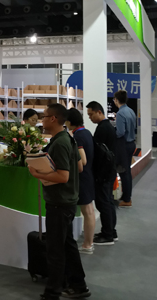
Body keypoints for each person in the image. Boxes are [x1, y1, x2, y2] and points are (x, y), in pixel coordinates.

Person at [28, 103, 89, 300]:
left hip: (59, 203)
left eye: (44, 116)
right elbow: (79, 167)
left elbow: (63, 176)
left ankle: (52, 292)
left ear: (53, 119)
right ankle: (78, 285)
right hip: (67, 202)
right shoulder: (67, 138)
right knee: (67, 245)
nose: (41, 120)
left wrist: (38, 173)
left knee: (55, 250)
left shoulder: (60, 143)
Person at [86, 101, 118, 246]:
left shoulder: (103, 128)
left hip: (103, 172)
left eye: (91, 114)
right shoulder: (107, 127)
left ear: (99, 112)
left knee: (103, 202)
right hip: (109, 171)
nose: (90, 117)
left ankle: (107, 234)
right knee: (108, 201)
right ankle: (111, 231)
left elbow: (100, 154)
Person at [66, 108, 95, 255]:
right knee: (89, 211)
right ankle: (89, 243)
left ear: (69, 122)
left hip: (82, 179)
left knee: (87, 211)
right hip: (89, 176)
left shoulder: (77, 136)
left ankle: (87, 244)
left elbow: (82, 161)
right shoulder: (87, 132)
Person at [113, 90, 136, 208]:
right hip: (131, 143)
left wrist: (112, 132)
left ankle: (127, 199)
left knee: (124, 172)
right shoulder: (130, 110)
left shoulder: (120, 113)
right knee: (127, 171)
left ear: (116, 100)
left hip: (124, 145)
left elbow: (120, 132)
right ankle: (126, 196)